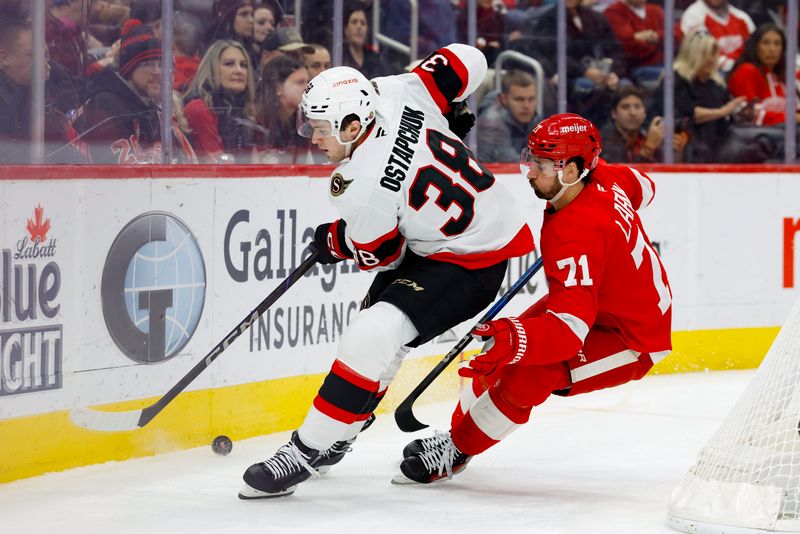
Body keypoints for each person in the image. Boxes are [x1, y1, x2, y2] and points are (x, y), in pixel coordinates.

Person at [239, 43, 535, 499]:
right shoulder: (397, 89)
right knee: (378, 328)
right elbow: (468, 56)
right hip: (452, 235)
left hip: (471, 257)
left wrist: (338, 240)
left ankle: (309, 450)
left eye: (320, 129)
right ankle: (341, 432)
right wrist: (449, 104)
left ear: (353, 124)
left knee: (373, 332)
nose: (313, 138)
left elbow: (385, 256)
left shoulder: (359, 184)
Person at [393, 113, 673, 485]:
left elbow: (570, 333)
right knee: (504, 349)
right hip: (604, 301)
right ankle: (457, 434)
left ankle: (458, 450)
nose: (529, 172)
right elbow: (644, 186)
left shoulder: (577, 235)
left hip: (633, 336)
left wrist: (516, 337)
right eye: (532, 159)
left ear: (572, 171)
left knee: (529, 371)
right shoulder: (601, 174)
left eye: (541, 165)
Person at [75, 19, 194, 163]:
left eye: (161, 64)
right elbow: (111, 174)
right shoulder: (104, 104)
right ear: (128, 69)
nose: (157, 72)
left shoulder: (151, 107)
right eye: (147, 64)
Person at [183, 40, 257, 163]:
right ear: (212, 69)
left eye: (243, 65)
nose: (239, 70)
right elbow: (216, 167)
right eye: (229, 64)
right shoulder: (199, 108)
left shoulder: (245, 110)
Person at [728, 24, 800, 126]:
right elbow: (750, 115)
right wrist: (793, 118)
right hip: (755, 137)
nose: (772, 49)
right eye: (765, 43)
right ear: (755, 46)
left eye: (777, 43)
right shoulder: (746, 71)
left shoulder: (785, 74)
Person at [601, 86, 688, 163]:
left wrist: (676, 152)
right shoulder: (604, 141)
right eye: (626, 107)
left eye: (637, 107)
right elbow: (621, 176)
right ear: (614, 113)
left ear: (645, 113)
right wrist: (648, 148)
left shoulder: (647, 135)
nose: (633, 113)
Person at [255, 55, 313, 163]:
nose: (308, 88)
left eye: (307, 82)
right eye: (300, 82)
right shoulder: (257, 125)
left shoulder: (306, 124)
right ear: (278, 88)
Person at [476, 69, 540, 163]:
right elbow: (512, 164)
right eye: (519, 99)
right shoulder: (491, 123)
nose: (526, 106)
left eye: (531, 99)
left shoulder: (531, 116)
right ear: (504, 99)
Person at [680, 0, 755, 73]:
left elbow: (755, 48)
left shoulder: (742, 17)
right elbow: (698, 53)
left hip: (741, 71)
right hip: (709, 73)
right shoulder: (693, 16)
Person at [603, 0, 664, 85]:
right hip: (634, 68)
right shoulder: (614, 12)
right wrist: (657, 42)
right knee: (671, 75)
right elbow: (628, 45)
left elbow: (673, 36)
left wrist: (649, 37)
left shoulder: (656, 10)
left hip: (663, 63)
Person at [342, 1, 393, 79]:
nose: (359, 27)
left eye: (363, 23)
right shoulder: (339, 56)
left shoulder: (377, 60)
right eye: (354, 22)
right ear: (345, 29)